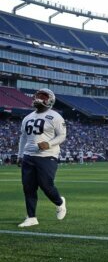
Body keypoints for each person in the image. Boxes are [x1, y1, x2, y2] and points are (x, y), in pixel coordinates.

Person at [17, 88, 67, 228]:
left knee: (46, 186)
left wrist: (49, 143)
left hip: (47, 156)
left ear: (50, 99)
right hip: (28, 156)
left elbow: (62, 135)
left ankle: (59, 202)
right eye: (37, 96)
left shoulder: (55, 116)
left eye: (43, 96)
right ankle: (31, 217)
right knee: (28, 188)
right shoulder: (27, 117)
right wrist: (20, 155)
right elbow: (23, 137)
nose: (38, 98)